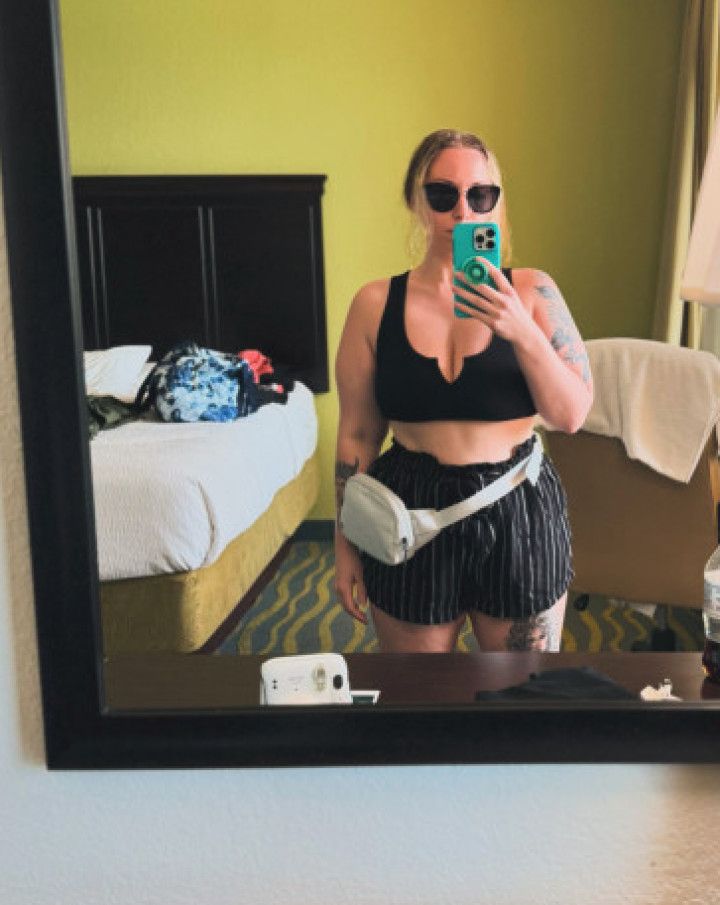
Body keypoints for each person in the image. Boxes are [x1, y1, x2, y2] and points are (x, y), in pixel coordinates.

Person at [334, 129, 593, 653]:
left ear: (496, 201)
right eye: (442, 194)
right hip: (410, 509)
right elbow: (357, 434)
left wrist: (520, 329)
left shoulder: (533, 291)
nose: (463, 209)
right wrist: (345, 545)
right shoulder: (374, 304)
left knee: (522, 690)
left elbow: (571, 414)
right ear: (416, 201)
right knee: (420, 692)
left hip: (518, 505)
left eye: (480, 194)